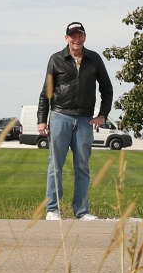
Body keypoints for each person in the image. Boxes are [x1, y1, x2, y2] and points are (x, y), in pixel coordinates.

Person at [38, 22, 113, 221]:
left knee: (82, 166)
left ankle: (82, 211)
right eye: (73, 36)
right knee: (55, 165)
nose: (76, 39)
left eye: (79, 36)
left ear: (84, 37)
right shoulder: (56, 59)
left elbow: (107, 89)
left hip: (85, 120)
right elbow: (46, 92)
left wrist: (102, 115)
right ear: (66, 39)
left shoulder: (94, 59)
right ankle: (52, 209)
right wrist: (41, 120)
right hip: (60, 117)